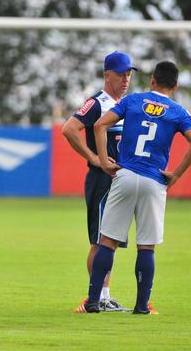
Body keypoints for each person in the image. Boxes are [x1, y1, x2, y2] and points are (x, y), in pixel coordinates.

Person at [79, 60, 191, 314]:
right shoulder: (179, 111)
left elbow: (100, 124)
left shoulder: (133, 101)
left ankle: (93, 301)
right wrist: (176, 175)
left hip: (124, 175)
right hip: (154, 180)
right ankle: (141, 306)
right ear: (176, 86)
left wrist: (103, 160)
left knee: (108, 242)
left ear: (153, 81)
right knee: (146, 246)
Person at [62, 51, 137, 312]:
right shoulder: (97, 104)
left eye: (128, 74)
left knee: (111, 240)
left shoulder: (127, 105)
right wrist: (94, 158)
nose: (126, 79)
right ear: (107, 76)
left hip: (121, 181)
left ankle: (105, 296)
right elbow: (69, 129)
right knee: (99, 240)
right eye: (120, 74)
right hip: (101, 181)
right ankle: (96, 297)